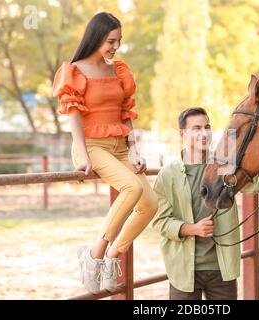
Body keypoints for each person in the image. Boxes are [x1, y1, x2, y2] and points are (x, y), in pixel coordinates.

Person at [52, 12, 158, 294]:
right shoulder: (73, 71)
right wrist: (84, 155)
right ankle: (94, 253)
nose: (116, 46)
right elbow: (73, 115)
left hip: (120, 147)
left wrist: (134, 149)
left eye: (119, 41)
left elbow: (127, 114)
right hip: (92, 146)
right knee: (132, 188)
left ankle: (112, 256)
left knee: (150, 204)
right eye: (111, 40)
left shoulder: (119, 70)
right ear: (96, 37)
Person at [152, 107, 259, 300]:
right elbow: (160, 221)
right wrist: (192, 229)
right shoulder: (167, 175)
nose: (204, 134)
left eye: (207, 127)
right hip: (185, 270)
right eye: (196, 128)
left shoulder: (226, 167)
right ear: (182, 134)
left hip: (222, 268)